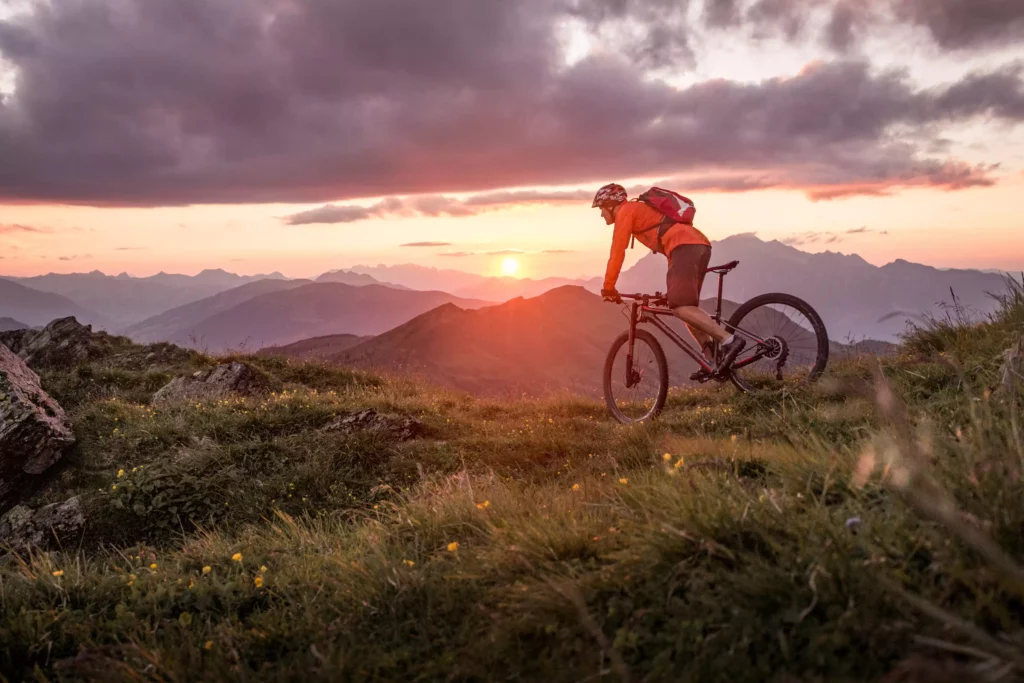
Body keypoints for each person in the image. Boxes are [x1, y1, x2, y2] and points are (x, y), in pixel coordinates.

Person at [594, 183, 745, 378]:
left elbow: (617, 252)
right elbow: (669, 244)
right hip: (697, 246)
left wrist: (608, 287)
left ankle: (728, 341)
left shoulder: (626, 211)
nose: (601, 215)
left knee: (680, 306)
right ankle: (713, 360)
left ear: (610, 205)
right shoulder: (639, 210)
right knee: (687, 309)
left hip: (684, 247)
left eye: (601, 209)